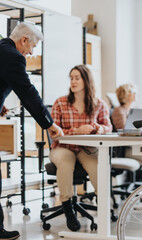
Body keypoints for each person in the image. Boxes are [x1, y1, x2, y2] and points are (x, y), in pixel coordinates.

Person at [0, 22, 63, 239]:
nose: (31, 52)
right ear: (24, 39)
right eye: (32, 47)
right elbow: (27, 92)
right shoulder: (13, 56)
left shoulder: (2, 49)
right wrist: (49, 124)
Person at [50, 65, 112, 231]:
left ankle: (104, 204)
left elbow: (108, 127)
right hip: (63, 147)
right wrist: (75, 131)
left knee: (97, 167)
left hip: (86, 149)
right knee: (65, 162)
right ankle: (68, 208)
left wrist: (97, 128)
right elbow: (54, 133)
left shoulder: (99, 104)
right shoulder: (60, 103)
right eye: (71, 78)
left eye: (77, 78)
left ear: (86, 80)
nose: (73, 81)